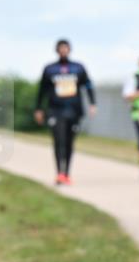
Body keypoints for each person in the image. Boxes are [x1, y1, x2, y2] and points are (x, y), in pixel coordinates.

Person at [34, 39, 97, 185]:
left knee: (69, 142)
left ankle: (67, 173)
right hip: (55, 110)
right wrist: (38, 108)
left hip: (74, 111)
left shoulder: (78, 68)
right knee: (58, 141)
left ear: (69, 50)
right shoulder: (50, 69)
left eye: (66, 48)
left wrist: (93, 103)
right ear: (57, 50)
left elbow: (88, 85)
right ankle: (59, 173)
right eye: (61, 48)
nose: (63, 51)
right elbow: (42, 90)